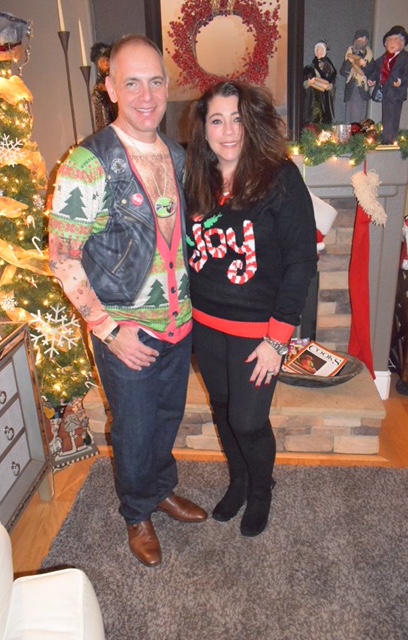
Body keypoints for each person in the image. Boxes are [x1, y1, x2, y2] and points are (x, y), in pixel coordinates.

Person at [49, 34, 207, 568]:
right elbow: (62, 257)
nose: (146, 95)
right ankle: (136, 511)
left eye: (155, 82)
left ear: (166, 86)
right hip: (126, 331)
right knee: (135, 429)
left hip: (177, 324)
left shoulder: (177, 155)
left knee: (166, 418)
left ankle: (160, 489)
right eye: (132, 82)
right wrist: (109, 331)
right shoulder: (87, 162)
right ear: (111, 88)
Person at [184, 81, 317, 537]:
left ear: (252, 122)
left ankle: (262, 490)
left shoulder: (279, 177)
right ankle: (239, 481)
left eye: (237, 119)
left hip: (257, 332)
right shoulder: (196, 179)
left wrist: (277, 341)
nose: (228, 131)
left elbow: (301, 261)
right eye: (217, 120)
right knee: (223, 411)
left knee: (248, 420)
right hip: (205, 325)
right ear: (204, 128)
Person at [365, 25, 408, 144]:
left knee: (394, 115)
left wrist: (401, 81)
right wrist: (372, 79)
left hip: (396, 92)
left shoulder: (405, 58)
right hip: (385, 91)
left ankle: (391, 138)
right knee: (386, 114)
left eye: (395, 40)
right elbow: (375, 70)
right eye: (389, 40)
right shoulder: (383, 59)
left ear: (402, 44)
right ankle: (386, 137)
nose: (391, 43)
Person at [340, 29, 373, 124]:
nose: (361, 42)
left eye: (364, 40)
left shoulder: (369, 56)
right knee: (348, 114)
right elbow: (343, 72)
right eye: (359, 39)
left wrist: (365, 65)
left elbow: (371, 70)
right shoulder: (350, 53)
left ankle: (357, 131)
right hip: (351, 87)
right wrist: (349, 62)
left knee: (358, 114)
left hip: (361, 87)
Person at [303, 40, 337, 125]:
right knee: (315, 115)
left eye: (321, 50)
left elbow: (333, 79)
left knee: (325, 115)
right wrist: (309, 83)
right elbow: (304, 83)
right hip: (314, 96)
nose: (319, 52)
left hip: (325, 96)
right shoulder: (310, 67)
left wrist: (330, 86)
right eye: (318, 50)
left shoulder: (329, 66)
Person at [90, 42, 117, 130]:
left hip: (112, 120)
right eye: (102, 60)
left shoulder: (113, 77)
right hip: (103, 121)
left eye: (107, 59)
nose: (106, 62)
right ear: (98, 64)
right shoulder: (100, 81)